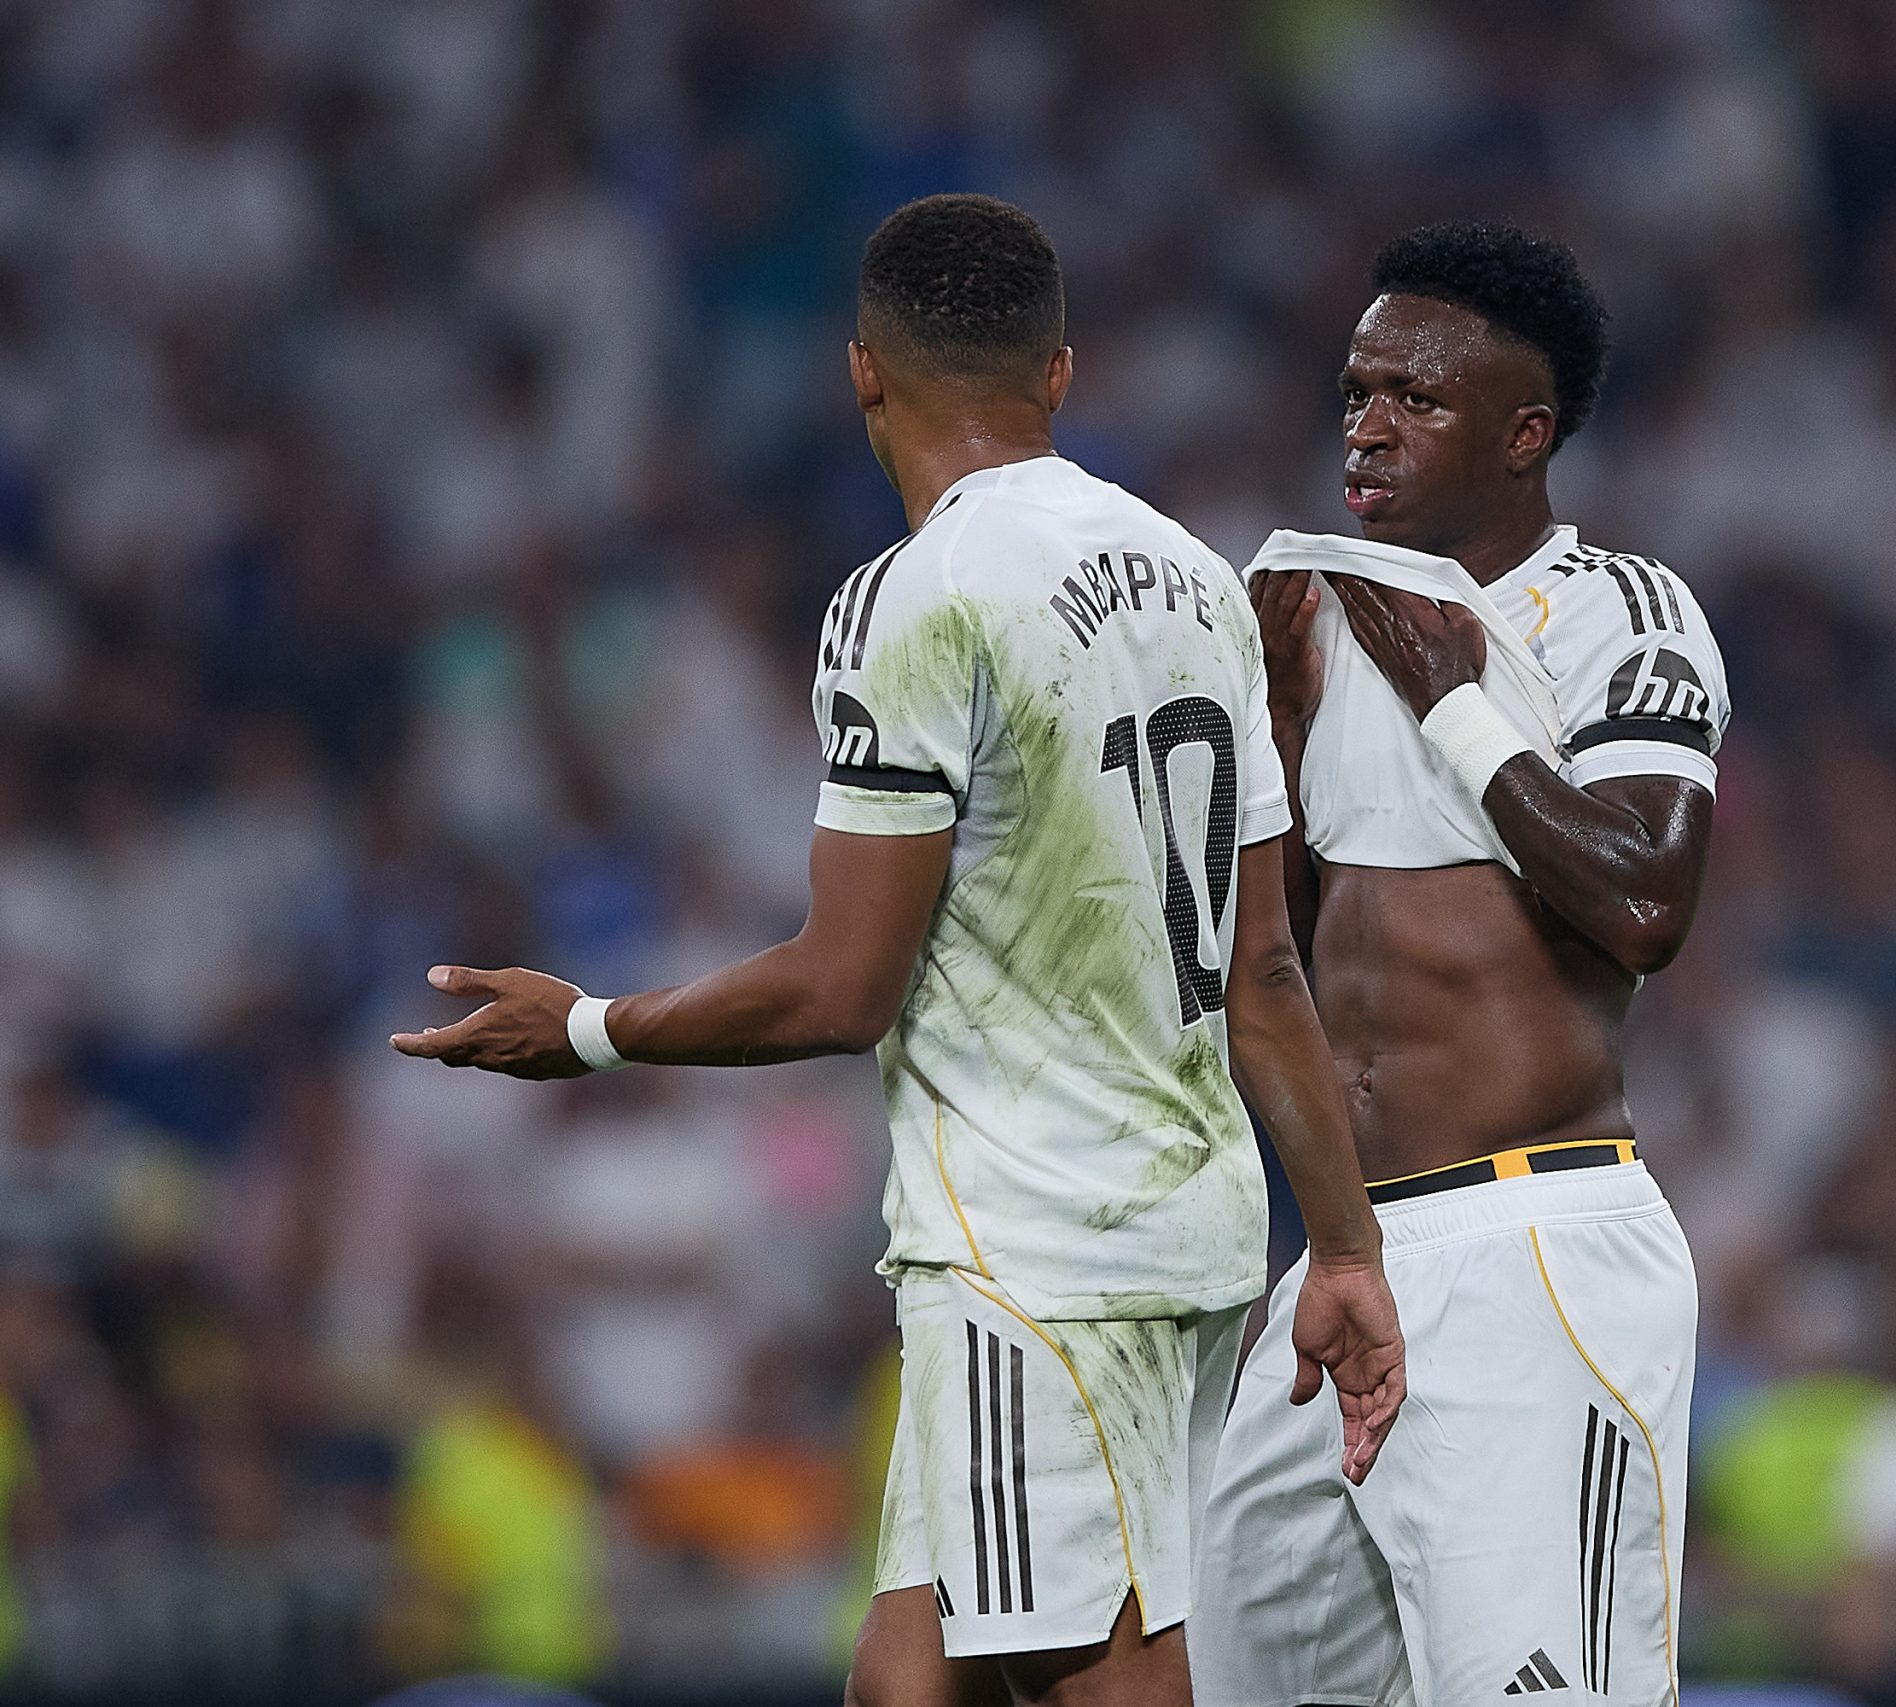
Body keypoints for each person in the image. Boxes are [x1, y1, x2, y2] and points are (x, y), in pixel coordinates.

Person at [392, 193, 1404, 1707]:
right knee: (909, 1675)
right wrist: (1342, 1245)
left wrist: (590, 1029)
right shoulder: (1199, 578)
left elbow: (843, 985)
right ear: (1060, 372)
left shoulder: (913, 598)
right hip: (1189, 1227)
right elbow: (1265, 971)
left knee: (1100, 1676)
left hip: (1036, 1245)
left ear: (862, 371)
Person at [1189, 223, 1729, 1705]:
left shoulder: (1617, 610)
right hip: (1345, 1262)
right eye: (1357, 393)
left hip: (1532, 1247)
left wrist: (1454, 703)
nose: (1367, 426)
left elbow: (1647, 900)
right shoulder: (1306, 618)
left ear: (1524, 435)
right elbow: (1281, 968)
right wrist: (1279, 733)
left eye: (1416, 400)